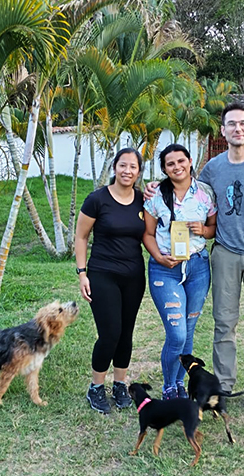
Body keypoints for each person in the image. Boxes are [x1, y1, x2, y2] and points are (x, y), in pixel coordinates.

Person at [145, 102, 244, 416]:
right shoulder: (213, 168)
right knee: (224, 323)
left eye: (243, 123)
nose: (237, 129)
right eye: (231, 124)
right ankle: (223, 385)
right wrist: (152, 189)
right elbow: (187, 189)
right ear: (223, 130)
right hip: (224, 254)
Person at [74, 148, 147, 414]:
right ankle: (96, 387)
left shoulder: (143, 200)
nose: (127, 171)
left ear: (139, 172)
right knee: (110, 333)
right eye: (123, 165)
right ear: (115, 167)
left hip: (134, 276)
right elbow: (81, 237)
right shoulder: (97, 200)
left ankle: (119, 384)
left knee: (126, 332)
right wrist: (82, 272)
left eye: (133, 167)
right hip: (103, 274)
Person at [143, 144, 217, 400]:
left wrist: (203, 231)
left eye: (181, 161)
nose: (177, 167)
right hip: (166, 270)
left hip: (197, 267)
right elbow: (148, 233)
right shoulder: (155, 195)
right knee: (177, 333)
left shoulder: (205, 193)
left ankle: (179, 384)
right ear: (164, 169)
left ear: (190, 161)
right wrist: (159, 257)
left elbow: (213, 228)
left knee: (189, 328)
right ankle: (169, 387)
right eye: (170, 164)